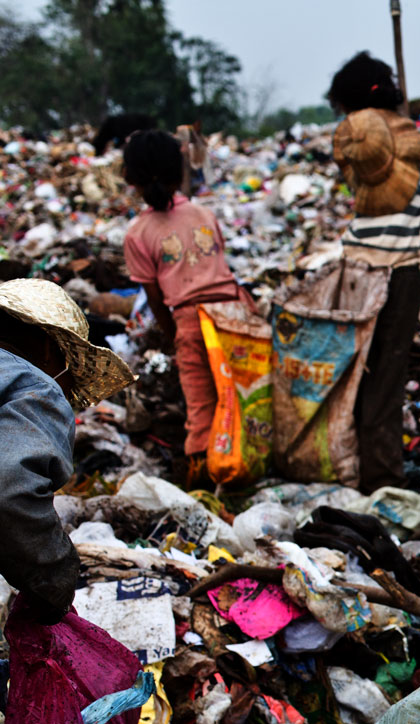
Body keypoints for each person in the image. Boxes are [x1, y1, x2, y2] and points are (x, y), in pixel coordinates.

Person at [326, 50, 420, 493]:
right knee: (385, 376)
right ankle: (379, 477)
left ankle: (336, 463)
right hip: (401, 271)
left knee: (347, 372)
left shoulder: (351, 146)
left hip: (353, 269)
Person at [0, 279, 134, 624]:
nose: (66, 390)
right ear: (49, 350)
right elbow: (10, 490)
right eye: (71, 377)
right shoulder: (34, 386)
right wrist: (55, 584)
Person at [121, 129, 249, 485]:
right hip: (236, 314)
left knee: (201, 406)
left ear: (131, 178)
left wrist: (175, 334)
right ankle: (248, 463)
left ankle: (204, 481)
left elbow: (156, 299)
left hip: (191, 319)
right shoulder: (203, 214)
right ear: (179, 171)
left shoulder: (138, 233)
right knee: (241, 395)